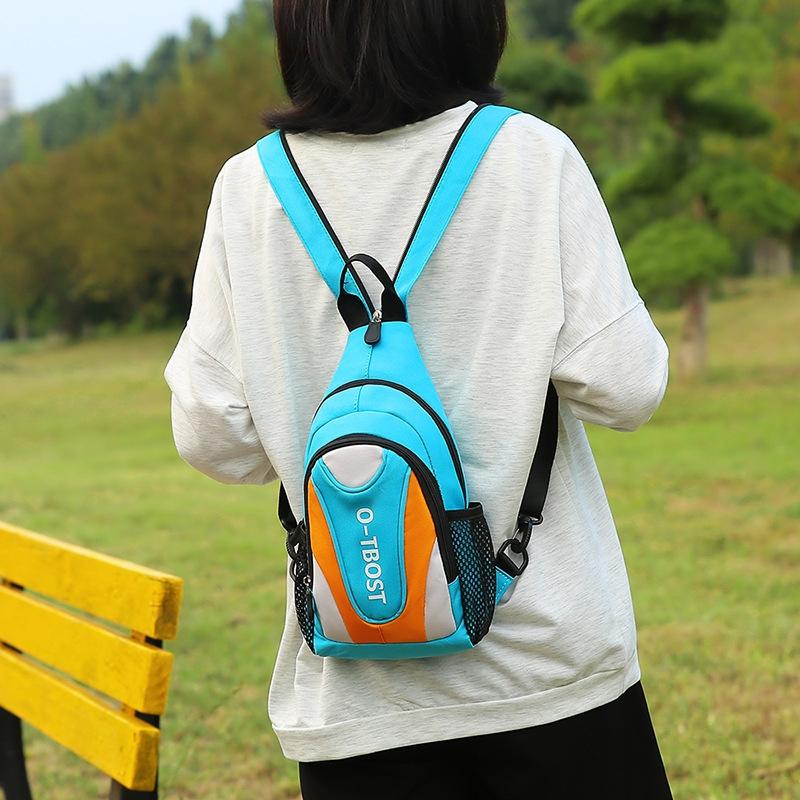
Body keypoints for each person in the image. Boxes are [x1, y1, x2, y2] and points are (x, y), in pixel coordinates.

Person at [164, 1, 673, 797]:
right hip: (548, 676)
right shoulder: (529, 157)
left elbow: (211, 436)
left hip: (358, 699)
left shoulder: (249, 189)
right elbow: (628, 386)